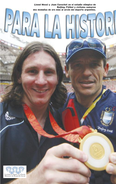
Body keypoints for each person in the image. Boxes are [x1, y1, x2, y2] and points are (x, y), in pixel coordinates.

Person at [0, 42, 91, 184]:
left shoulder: (65, 121)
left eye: (48, 72)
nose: (41, 81)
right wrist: (31, 179)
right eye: (32, 71)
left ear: (57, 79)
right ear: (19, 76)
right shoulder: (2, 119)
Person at [61, 38, 116, 184]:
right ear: (67, 71)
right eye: (77, 65)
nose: (86, 72)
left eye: (94, 65)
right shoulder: (58, 106)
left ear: (105, 69)